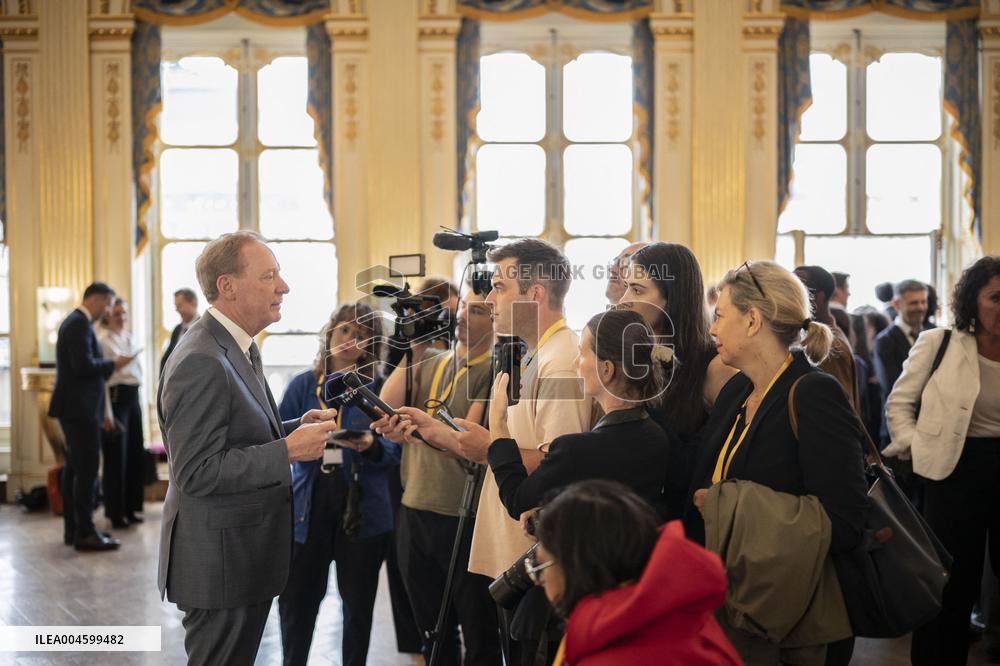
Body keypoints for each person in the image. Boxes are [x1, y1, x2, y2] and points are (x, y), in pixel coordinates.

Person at [158, 231, 339, 665]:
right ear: (228, 286)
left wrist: (294, 427)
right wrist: (289, 451)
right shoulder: (203, 358)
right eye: (269, 276)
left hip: (239, 555)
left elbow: (234, 432)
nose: (284, 286)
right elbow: (197, 471)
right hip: (221, 564)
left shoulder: (234, 346)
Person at [690, 260, 868, 664]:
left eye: (719, 316)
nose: (712, 329)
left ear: (752, 321)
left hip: (796, 614)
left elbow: (844, 521)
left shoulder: (813, 394)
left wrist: (729, 503)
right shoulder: (739, 389)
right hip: (740, 603)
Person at [455, 238, 592, 664]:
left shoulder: (562, 358)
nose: (489, 298)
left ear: (534, 294)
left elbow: (560, 462)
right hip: (514, 546)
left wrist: (491, 447)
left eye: (499, 287)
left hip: (536, 551)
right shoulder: (537, 354)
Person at [374, 287, 501, 666]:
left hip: (463, 515)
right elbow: (389, 404)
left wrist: (421, 430)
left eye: (476, 311)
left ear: (495, 319)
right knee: (432, 630)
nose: (462, 317)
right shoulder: (429, 361)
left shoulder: (494, 369)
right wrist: (411, 353)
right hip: (415, 506)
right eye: (462, 308)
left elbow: (467, 441)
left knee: (478, 630)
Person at [883, 256, 1000, 666]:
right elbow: (899, 404)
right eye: (995, 298)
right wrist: (915, 445)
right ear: (973, 299)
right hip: (953, 469)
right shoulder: (941, 342)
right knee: (951, 582)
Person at [277, 302, 401, 666]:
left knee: (358, 607)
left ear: (370, 346)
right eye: (345, 330)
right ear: (330, 333)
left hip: (363, 509)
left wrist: (372, 445)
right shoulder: (303, 385)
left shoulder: (378, 389)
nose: (350, 341)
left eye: (361, 336)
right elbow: (276, 444)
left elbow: (397, 451)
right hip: (308, 509)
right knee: (297, 604)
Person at [484, 308, 671, 519]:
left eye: (581, 354)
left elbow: (516, 500)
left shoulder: (575, 451)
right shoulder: (658, 436)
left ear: (606, 370)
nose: (574, 364)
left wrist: (498, 422)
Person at [533, 481, 741, 666]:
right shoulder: (681, 616)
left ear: (577, 567)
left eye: (540, 568)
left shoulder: (614, 656)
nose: (539, 581)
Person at [618, 242, 736, 519]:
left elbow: (718, 465)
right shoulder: (638, 357)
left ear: (672, 298)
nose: (623, 299)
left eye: (637, 289)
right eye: (626, 287)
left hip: (684, 518)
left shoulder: (715, 368)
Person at [49, 281, 134, 551]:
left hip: (77, 408)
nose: (109, 310)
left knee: (74, 470)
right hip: (80, 409)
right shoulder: (78, 324)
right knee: (86, 472)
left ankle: (73, 530)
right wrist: (114, 364)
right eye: (108, 304)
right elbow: (83, 366)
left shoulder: (77, 323)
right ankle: (85, 532)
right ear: (96, 300)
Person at [97, 297, 146, 529]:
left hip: (133, 395)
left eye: (124, 313)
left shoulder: (130, 336)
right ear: (108, 315)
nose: (122, 317)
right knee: (117, 456)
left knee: (135, 452)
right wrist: (106, 413)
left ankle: (131, 507)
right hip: (116, 398)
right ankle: (115, 512)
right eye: (117, 313)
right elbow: (104, 379)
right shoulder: (103, 340)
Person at [794, 265, 860, 415]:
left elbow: (837, 410)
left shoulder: (829, 345)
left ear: (817, 298)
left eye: (796, 292)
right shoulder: (815, 335)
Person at [872, 279, 929, 445]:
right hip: (895, 431)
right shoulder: (884, 341)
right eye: (913, 303)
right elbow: (893, 386)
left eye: (923, 302)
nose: (920, 308)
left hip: (927, 430)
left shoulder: (931, 335)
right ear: (896, 304)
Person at [160, 288, 200, 374]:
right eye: (176, 306)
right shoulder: (177, 329)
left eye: (180, 306)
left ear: (193, 303)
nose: (177, 310)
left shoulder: (204, 328)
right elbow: (168, 357)